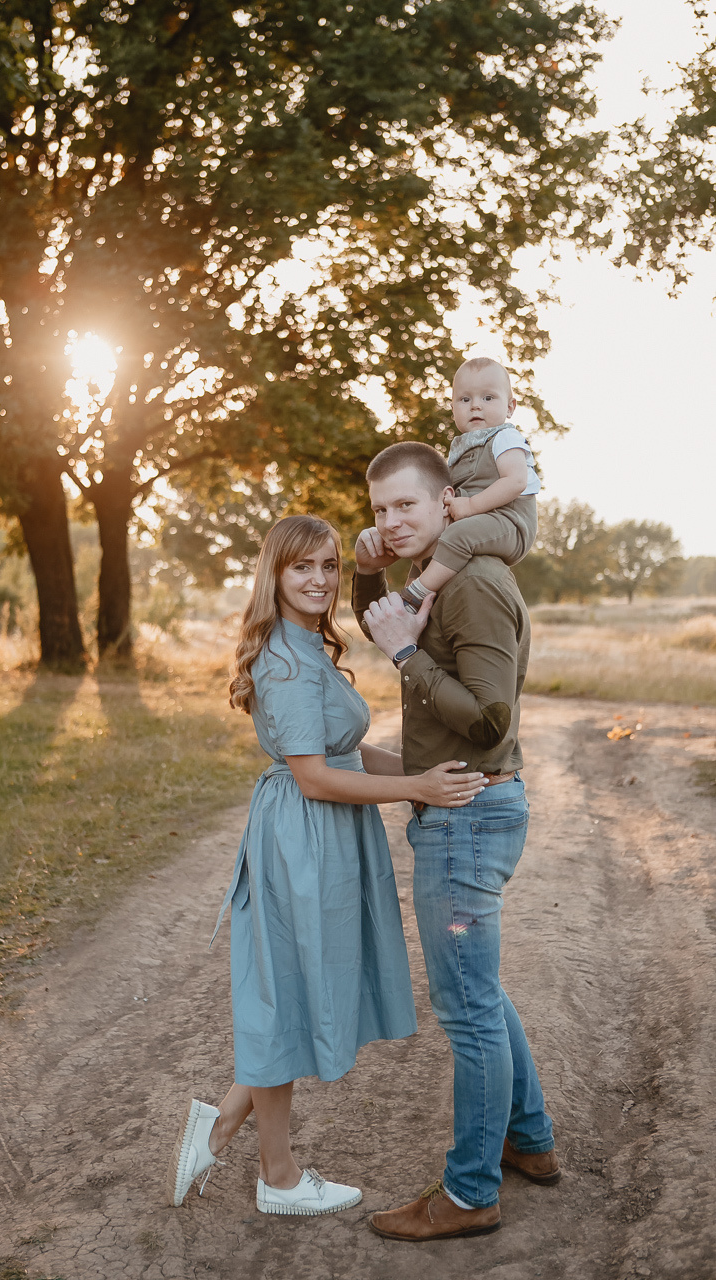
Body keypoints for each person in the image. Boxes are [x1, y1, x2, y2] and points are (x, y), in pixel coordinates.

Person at [166, 514, 488, 1218]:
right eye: (301, 568)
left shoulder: (308, 645)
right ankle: (274, 1178)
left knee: (295, 993)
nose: (318, 580)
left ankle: (223, 1128)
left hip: (325, 836)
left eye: (329, 567)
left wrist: (425, 769)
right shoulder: (282, 660)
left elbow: (345, 752)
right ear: (274, 576)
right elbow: (313, 776)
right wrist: (415, 789)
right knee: (287, 994)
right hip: (301, 840)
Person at [352, 441, 559, 1243]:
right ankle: (529, 1142)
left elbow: (487, 718)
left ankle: (469, 1195)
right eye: (378, 509)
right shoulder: (443, 575)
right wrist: (373, 578)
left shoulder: (470, 582)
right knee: (481, 992)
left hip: (468, 815)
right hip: (464, 811)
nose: (391, 521)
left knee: (467, 1011)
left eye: (407, 505)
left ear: (448, 503)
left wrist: (402, 654)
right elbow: (391, 619)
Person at [400, 357, 540, 614]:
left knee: (458, 535)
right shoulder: (460, 447)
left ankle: (417, 595)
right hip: (477, 519)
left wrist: (471, 505)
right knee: (430, 538)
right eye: (465, 400)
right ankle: (405, 601)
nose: (476, 406)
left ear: (510, 407)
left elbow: (515, 481)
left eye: (488, 398)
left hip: (510, 522)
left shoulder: (505, 437)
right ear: (453, 409)